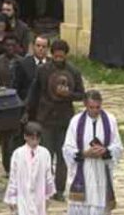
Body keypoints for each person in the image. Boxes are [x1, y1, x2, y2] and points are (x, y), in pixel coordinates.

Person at [62, 90, 123, 215]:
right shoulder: (76, 122)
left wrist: (106, 151)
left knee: (99, 212)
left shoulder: (110, 120)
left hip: (101, 173)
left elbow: (118, 146)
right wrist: (83, 153)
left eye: (97, 107)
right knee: (78, 210)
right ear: (85, 105)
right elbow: (67, 147)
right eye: (91, 107)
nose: (95, 111)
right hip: (84, 170)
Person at [27, 39, 86, 201]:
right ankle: (46, 187)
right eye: (56, 55)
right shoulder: (43, 70)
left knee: (62, 156)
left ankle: (59, 189)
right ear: (52, 54)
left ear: (66, 55)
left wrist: (69, 95)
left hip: (64, 119)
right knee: (45, 155)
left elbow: (81, 94)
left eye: (62, 56)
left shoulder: (73, 71)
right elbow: (35, 92)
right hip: (45, 118)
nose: (59, 58)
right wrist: (27, 111)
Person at [4, 121, 55, 215]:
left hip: (38, 196)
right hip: (23, 196)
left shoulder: (44, 153)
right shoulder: (18, 154)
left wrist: (48, 193)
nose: (34, 141)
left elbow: (48, 173)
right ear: (25, 137)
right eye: (31, 138)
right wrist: (12, 199)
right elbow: (13, 177)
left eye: (37, 138)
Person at [0, 34, 24, 174]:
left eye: (13, 45)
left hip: (18, 103)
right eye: (7, 45)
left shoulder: (22, 62)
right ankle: (8, 166)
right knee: (6, 139)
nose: (10, 48)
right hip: (3, 105)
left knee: (19, 136)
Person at [13, 35, 50, 106]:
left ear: (48, 48)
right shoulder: (22, 64)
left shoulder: (52, 64)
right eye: (38, 46)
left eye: (43, 47)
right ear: (33, 46)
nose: (40, 49)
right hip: (28, 105)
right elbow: (16, 87)